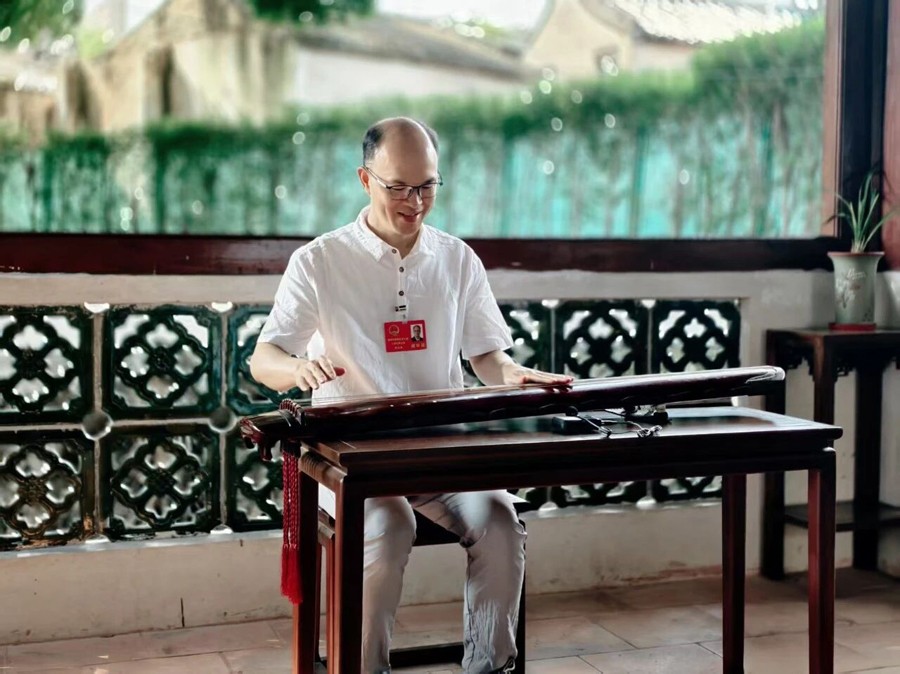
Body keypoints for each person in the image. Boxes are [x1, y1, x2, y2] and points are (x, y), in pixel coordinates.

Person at [250, 117, 572, 674]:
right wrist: (298, 367)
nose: (414, 201)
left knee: (500, 523)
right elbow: (264, 359)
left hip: (439, 449)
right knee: (388, 526)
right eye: (398, 186)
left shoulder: (456, 259)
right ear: (365, 179)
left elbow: (488, 357)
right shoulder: (320, 262)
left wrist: (512, 373)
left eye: (426, 186)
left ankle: (489, 667)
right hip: (350, 460)